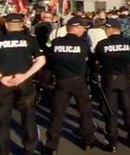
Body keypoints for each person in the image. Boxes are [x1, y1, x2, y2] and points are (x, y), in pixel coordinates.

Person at [44, 17, 99, 155]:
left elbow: (50, 61)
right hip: (79, 81)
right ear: (74, 28)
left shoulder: (56, 43)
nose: (84, 30)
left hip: (62, 81)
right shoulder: (83, 44)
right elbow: (90, 61)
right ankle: (88, 140)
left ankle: (51, 146)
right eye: (82, 28)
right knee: (85, 112)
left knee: (57, 114)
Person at [0, 13, 46, 155]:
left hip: (4, 84)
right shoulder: (30, 40)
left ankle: (3, 150)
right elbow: (41, 60)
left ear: (6, 25)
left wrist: (2, 77)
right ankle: (29, 149)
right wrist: (25, 76)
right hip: (24, 83)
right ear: (22, 24)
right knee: (29, 117)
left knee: (3, 120)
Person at [94, 19, 130, 152]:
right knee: (128, 110)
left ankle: (112, 142)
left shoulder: (102, 45)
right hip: (124, 79)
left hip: (108, 80)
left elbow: (97, 62)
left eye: (106, 29)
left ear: (110, 29)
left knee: (110, 112)